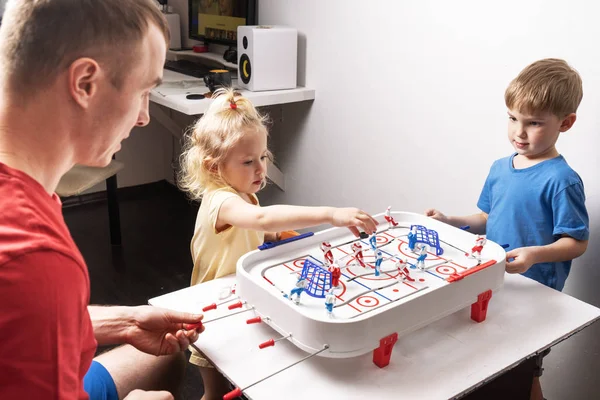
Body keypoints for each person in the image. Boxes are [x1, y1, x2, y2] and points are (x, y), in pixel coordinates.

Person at [0, 1, 206, 399]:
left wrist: (125, 322)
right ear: (85, 83)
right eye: (143, 91)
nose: (144, 117)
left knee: (164, 358)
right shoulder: (34, 257)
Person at [178, 88, 378, 399]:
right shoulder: (221, 200)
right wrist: (331, 214)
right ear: (213, 167)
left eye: (263, 157)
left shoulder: (242, 197)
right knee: (215, 394)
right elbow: (260, 220)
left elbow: (258, 231)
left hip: (242, 296)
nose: (260, 169)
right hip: (215, 312)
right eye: (248, 162)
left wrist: (283, 237)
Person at [425, 58, 589, 400]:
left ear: (566, 123)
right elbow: (485, 218)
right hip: (494, 282)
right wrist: (450, 221)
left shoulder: (561, 180)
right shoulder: (500, 168)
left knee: (524, 366)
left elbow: (576, 242)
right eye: (513, 118)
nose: (519, 132)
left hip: (535, 294)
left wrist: (535, 254)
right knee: (500, 367)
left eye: (534, 123)